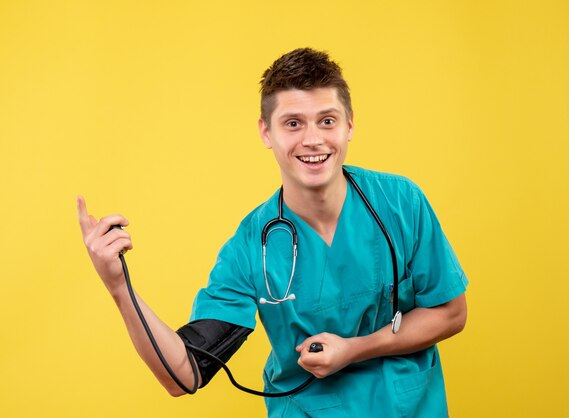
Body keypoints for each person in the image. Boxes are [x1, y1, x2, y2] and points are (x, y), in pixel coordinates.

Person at [78, 47, 468, 417]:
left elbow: (451, 313)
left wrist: (355, 349)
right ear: (266, 132)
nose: (313, 139)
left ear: (350, 125)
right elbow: (184, 373)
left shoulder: (400, 202)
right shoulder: (251, 247)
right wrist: (118, 287)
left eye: (327, 120)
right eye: (293, 123)